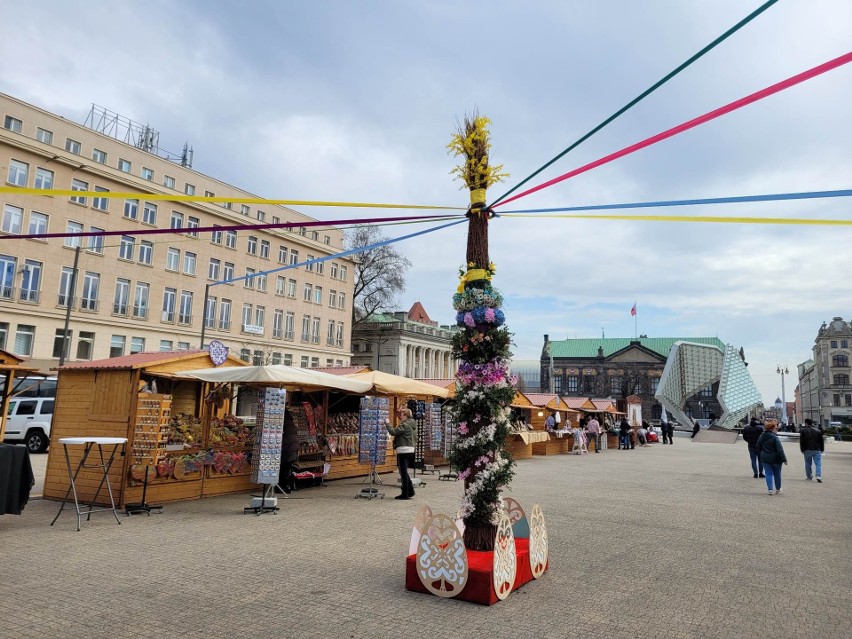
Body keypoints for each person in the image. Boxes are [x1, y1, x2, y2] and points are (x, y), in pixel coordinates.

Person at [386, 407, 417, 500]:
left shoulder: (405, 425)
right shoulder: (412, 425)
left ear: (406, 416)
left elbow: (393, 432)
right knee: (404, 471)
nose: (400, 417)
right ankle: (410, 491)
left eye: (402, 415)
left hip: (403, 450)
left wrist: (387, 423)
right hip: (410, 450)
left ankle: (405, 493)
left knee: (403, 472)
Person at [756, 419, 787, 495]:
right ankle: (778, 489)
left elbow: (758, 446)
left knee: (768, 473)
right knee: (777, 474)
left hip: (765, 458)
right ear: (772, 428)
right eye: (775, 428)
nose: (776, 429)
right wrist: (784, 459)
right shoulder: (775, 437)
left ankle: (770, 489)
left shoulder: (762, 436)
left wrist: (763, 452)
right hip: (776, 459)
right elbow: (780, 449)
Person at [279, 411, 300, 494]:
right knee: (287, 469)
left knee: (283, 469)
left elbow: (284, 438)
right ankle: (287, 486)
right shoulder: (291, 424)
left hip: (287, 449)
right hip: (293, 450)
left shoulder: (283, 423)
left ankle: (282, 486)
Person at [799, 418, 824, 483]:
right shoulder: (818, 430)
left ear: (806, 423)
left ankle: (809, 476)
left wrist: (802, 449)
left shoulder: (803, 430)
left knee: (808, 463)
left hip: (807, 449)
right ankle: (818, 476)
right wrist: (822, 449)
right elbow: (821, 441)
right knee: (818, 463)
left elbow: (801, 441)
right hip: (817, 449)